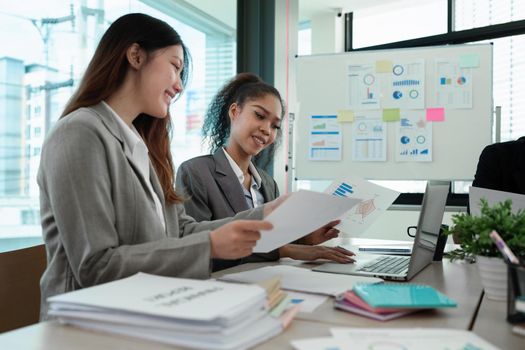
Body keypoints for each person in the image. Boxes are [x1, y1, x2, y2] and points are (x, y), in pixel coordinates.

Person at [37, 14, 283, 319]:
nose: (179, 85)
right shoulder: (79, 133)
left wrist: (264, 216)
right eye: (175, 67)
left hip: (149, 310)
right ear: (136, 55)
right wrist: (209, 246)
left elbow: (179, 231)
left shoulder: (142, 145)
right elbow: (96, 266)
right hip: (88, 324)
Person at [176, 73, 355, 271]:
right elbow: (197, 248)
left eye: (275, 125)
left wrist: (306, 239)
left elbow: (272, 239)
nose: (267, 130)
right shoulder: (195, 173)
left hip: (269, 280)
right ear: (234, 112)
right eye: (259, 116)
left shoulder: (268, 183)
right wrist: (285, 251)